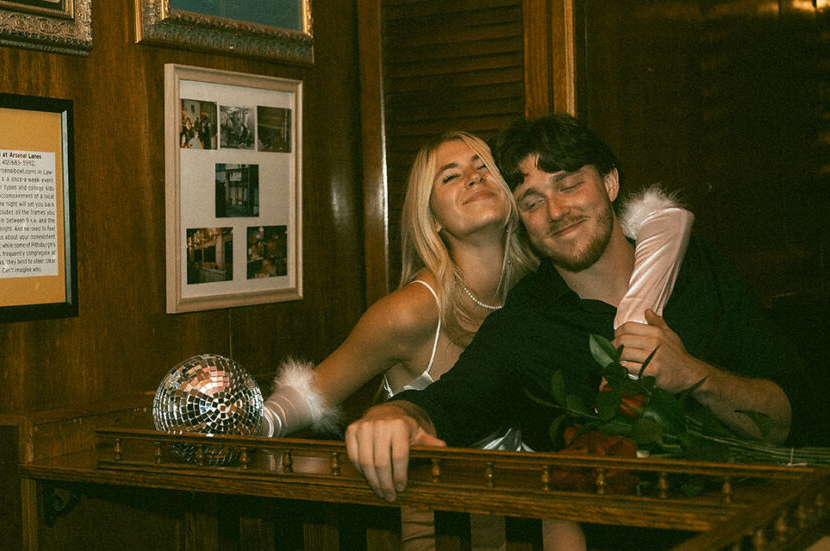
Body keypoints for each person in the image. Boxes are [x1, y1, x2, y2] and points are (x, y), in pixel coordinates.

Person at [344, 114, 804, 529]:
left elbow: (785, 417)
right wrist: (394, 414)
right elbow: (451, 402)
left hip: (762, 527)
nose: (556, 213)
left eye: (567, 185)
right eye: (531, 201)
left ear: (609, 182)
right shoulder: (527, 323)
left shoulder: (696, 267)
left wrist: (696, 377)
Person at [262, 128, 694, 549]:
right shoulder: (412, 310)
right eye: (449, 176)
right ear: (431, 218)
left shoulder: (539, 292)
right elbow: (308, 396)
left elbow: (664, 229)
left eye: (483, 168)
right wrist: (219, 430)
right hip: (437, 528)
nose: (472, 177)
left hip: (522, 523)